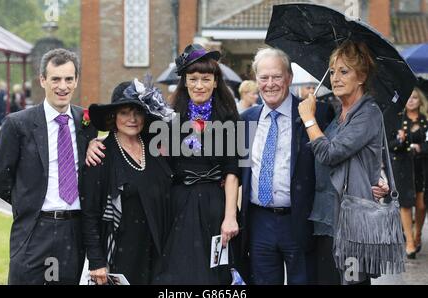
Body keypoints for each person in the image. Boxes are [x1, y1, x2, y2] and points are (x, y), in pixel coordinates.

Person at [86, 43, 242, 284]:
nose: (199, 85)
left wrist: (230, 215)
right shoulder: (168, 119)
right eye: (193, 79)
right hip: (177, 206)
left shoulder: (229, 117)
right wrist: (93, 143)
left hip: (215, 206)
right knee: (174, 275)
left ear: (215, 81)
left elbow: (233, 170)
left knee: (213, 277)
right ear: (185, 81)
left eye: (205, 78)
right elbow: (131, 132)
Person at [0, 48, 97, 284]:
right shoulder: (18, 124)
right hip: (35, 230)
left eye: (69, 79)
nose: (63, 86)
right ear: (43, 80)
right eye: (56, 79)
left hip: (74, 230)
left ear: (76, 80)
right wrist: (30, 203)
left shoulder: (86, 122)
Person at [239, 48, 334, 285]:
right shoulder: (247, 119)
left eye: (276, 77)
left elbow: (335, 157)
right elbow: (238, 170)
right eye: (264, 77)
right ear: (256, 80)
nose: (270, 84)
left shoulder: (316, 113)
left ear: (289, 78)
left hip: (300, 221)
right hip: (259, 222)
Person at [298, 40, 389, 285]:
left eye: (344, 71)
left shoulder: (368, 113)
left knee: (351, 282)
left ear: (361, 77)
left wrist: (309, 120)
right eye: (332, 71)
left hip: (352, 225)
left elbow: (331, 153)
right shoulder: (340, 113)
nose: (335, 78)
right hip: (327, 217)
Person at [82, 79, 174, 285]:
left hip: (159, 248)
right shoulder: (100, 155)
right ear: (113, 116)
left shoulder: (156, 148)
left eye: (137, 112)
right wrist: (96, 261)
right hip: (121, 254)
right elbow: (89, 214)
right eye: (124, 112)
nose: (132, 119)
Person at [389, 87, 428, 259]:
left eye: (415, 97)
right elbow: (390, 146)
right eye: (409, 97)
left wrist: (421, 148)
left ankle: (417, 234)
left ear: (420, 101)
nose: (411, 100)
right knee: (405, 204)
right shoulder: (397, 120)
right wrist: (400, 140)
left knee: (421, 204)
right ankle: (410, 242)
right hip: (403, 166)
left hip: (423, 167)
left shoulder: (425, 120)